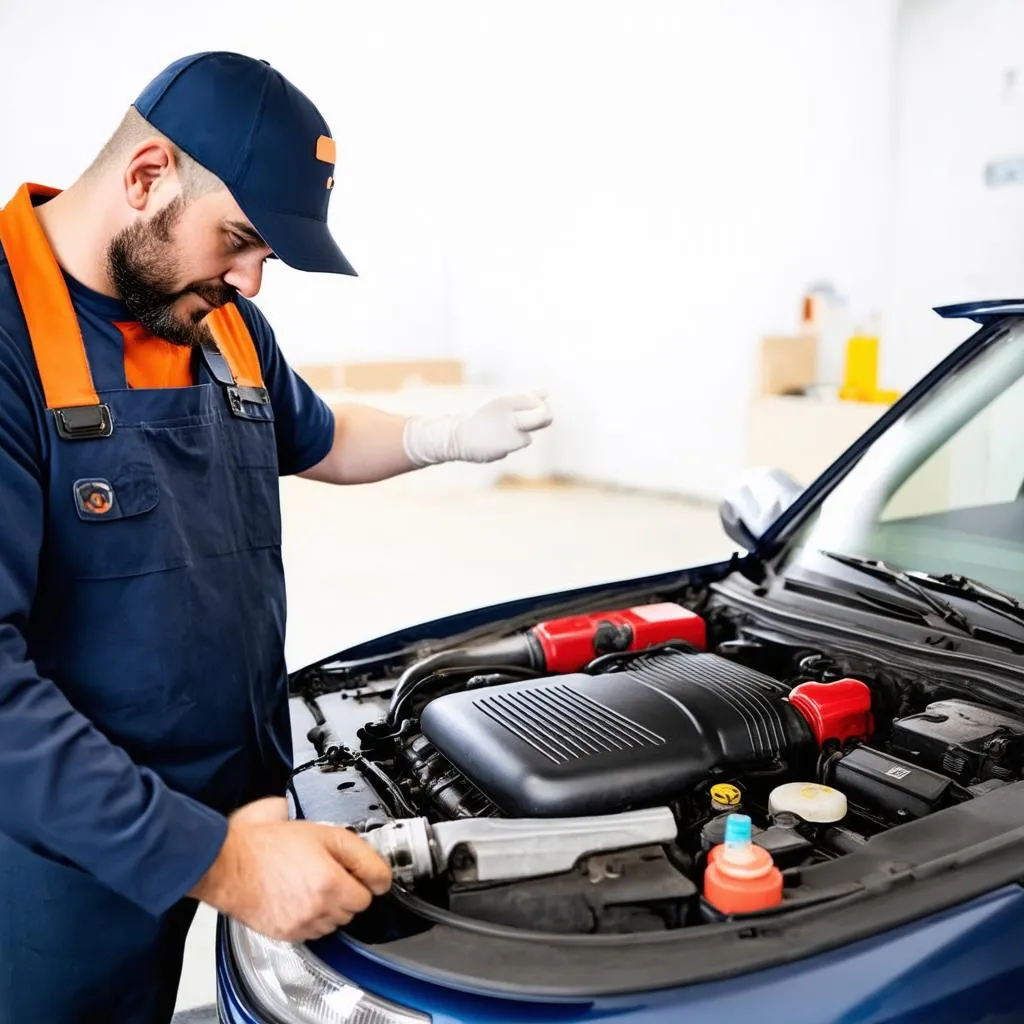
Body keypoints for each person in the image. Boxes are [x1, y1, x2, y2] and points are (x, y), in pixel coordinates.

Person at [0, 50, 552, 1023]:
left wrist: (443, 435)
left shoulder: (214, 323)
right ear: (146, 177)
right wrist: (218, 859)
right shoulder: (10, 342)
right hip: (65, 864)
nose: (253, 281)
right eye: (242, 239)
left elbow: (322, 434)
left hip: (243, 814)